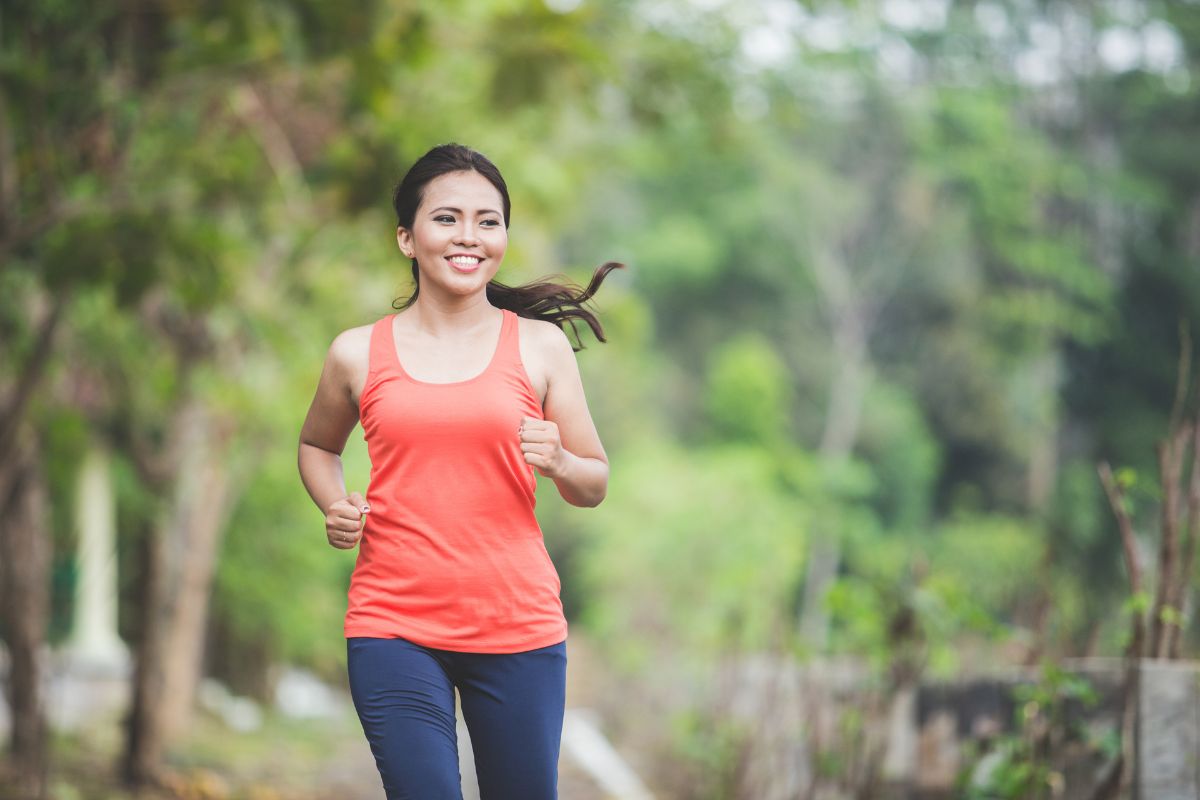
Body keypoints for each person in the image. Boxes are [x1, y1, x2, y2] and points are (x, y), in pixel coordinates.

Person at [297, 143, 620, 800]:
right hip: (392, 625)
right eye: (446, 219)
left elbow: (594, 482)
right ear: (407, 238)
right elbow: (316, 446)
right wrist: (335, 504)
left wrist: (558, 460)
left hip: (517, 625)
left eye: (488, 220)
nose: (468, 237)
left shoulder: (540, 347)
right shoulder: (356, 352)